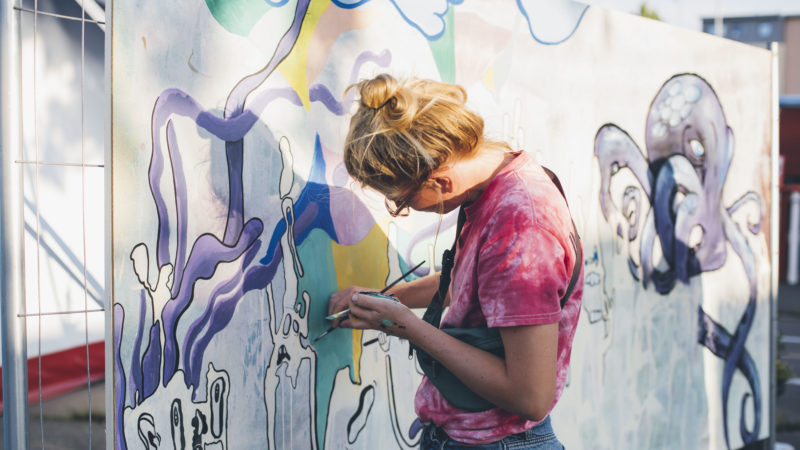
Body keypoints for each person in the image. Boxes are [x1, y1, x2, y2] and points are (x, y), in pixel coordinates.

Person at [327, 73, 583, 449]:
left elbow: (531, 396)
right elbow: (474, 283)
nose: (403, 210)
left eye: (401, 200)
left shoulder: (521, 224)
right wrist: (387, 298)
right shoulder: (496, 186)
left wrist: (404, 325)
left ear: (441, 181)